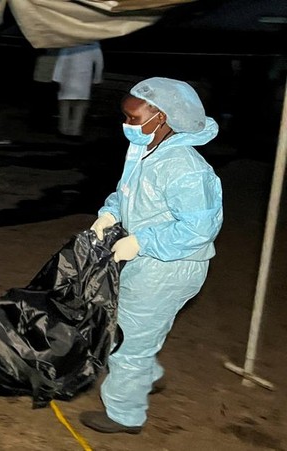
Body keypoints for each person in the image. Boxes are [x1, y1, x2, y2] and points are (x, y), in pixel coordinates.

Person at [81, 77, 223, 434]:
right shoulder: (147, 150)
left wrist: (141, 241)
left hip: (172, 265)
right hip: (150, 260)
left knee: (126, 339)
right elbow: (128, 193)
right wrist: (110, 212)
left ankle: (124, 414)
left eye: (132, 118)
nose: (126, 124)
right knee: (128, 328)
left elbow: (198, 230)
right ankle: (148, 374)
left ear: (160, 118)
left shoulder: (187, 169)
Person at [52, 41, 103, 139]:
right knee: (80, 106)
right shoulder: (94, 45)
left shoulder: (70, 42)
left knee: (65, 105)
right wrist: (97, 79)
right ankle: (75, 131)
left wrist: (56, 78)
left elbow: (61, 62)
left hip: (67, 79)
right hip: (84, 81)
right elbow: (99, 63)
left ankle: (64, 129)